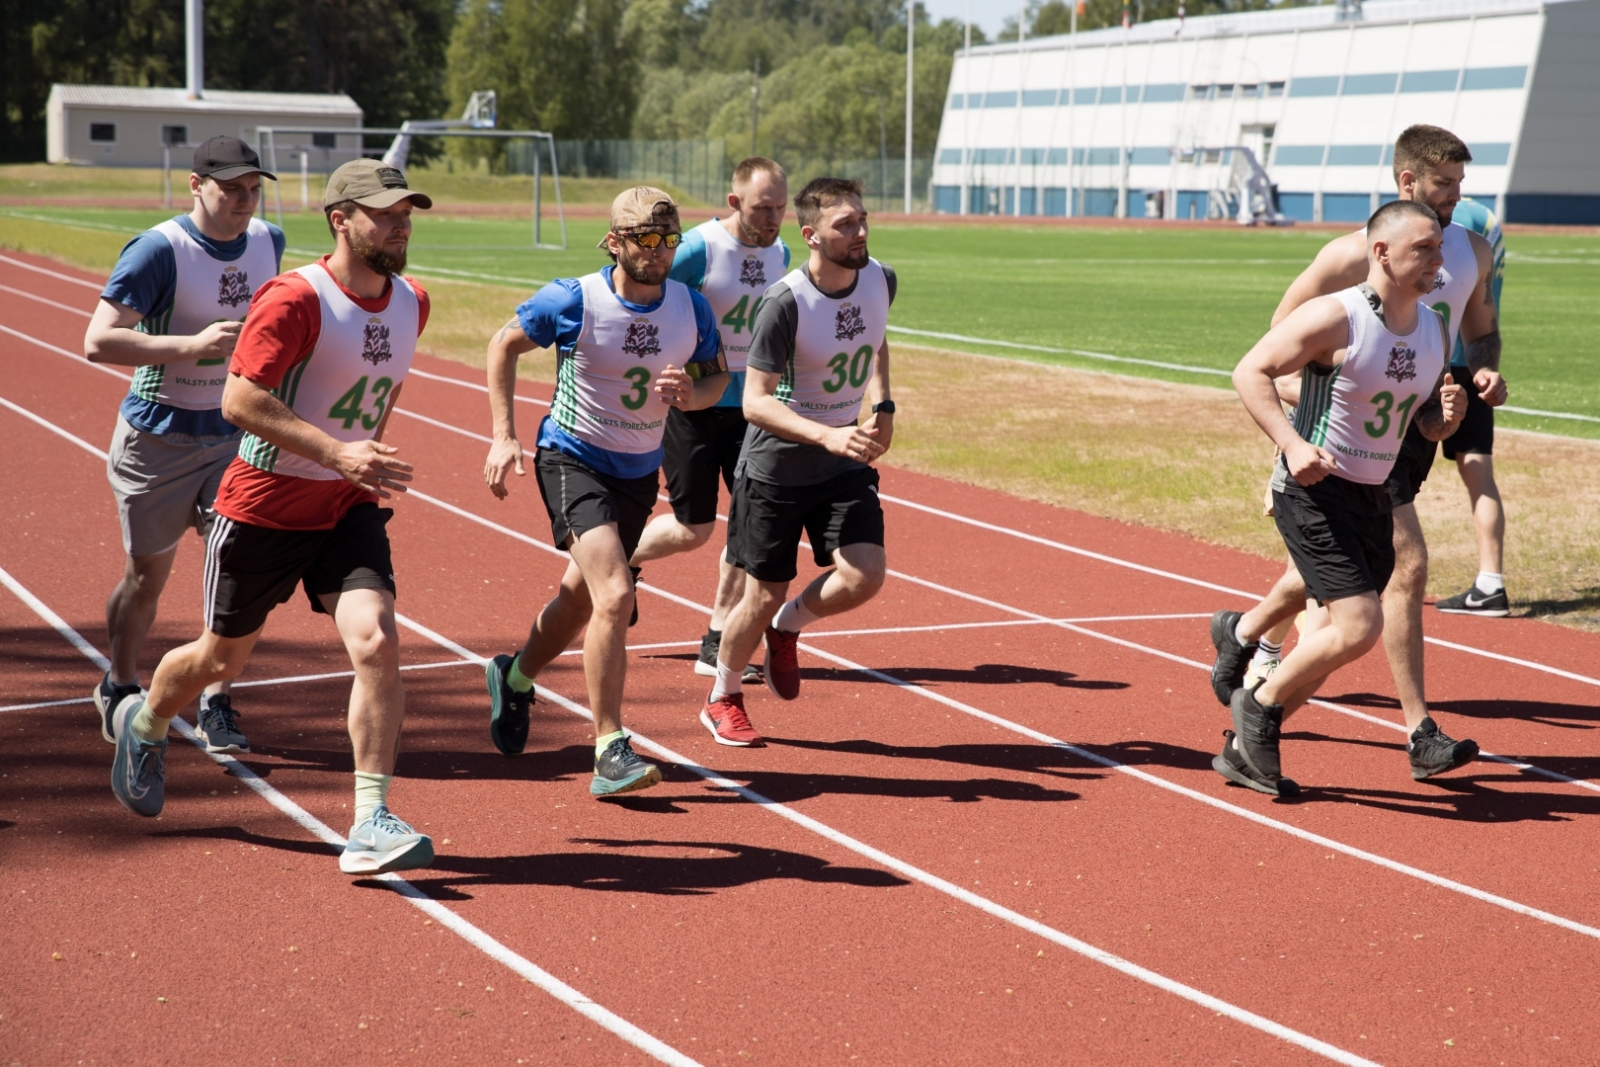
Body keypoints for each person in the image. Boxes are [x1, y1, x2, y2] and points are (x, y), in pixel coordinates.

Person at [108, 159, 437, 876]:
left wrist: (354, 463)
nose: (400, 225)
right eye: (384, 213)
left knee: (378, 640)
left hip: (344, 504)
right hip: (262, 504)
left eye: (406, 212)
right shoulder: (294, 298)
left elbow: (373, 393)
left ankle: (371, 819)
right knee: (219, 660)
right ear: (340, 220)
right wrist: (336, 451)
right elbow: (238, 400)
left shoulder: (413, 301)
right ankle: (147, 720)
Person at [1212, 125, 1500, 783]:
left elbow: (1431, 401)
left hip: (1384, 466)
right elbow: (1262, 361)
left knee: (1332, 603)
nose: (1440, 260)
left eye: (1461, 185)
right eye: (1444, 184)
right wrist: (1295, 436)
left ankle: (1245, 642)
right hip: (1321, 470)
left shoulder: (1435, 320)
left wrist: (1447, 414)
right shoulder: (1341, 290)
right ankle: (1410, 729)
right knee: (1377, 599)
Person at [481, 187, 728, 791]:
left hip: (638, 472)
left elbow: (717, 376)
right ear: (615, 241)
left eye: (668, 239)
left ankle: (514, 678)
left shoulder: (691, 307)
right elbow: (503, 344)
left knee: (580, 602)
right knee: (615, 593)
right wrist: (503, 436)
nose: (659, 251)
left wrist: (694, 395)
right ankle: (610, 748)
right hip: (572, 458)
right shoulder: (573, 299)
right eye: (645, 239)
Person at [83, 136, 284, 755]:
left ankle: (217, 698)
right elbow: (98, 341)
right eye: (232, 189)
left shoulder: (269, 242)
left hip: (235, 434)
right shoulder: (157, 250)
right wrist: (191, 346)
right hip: (159, 435)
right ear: (196, 185)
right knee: (147, 577)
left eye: (253, 189)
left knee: (238, 569)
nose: (245, 201)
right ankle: (119, 682)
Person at [697, 177, 897, 748]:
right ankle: (722, 696)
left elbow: (877, 339)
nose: (860, 232)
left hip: (841, 462)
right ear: (810, 235)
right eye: (845, 224)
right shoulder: (784, 303)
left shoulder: (882, 278)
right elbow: (755, 403)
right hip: (776, 469)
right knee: (761, 593)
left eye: (862, 219)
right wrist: (827, 435)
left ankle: (788, 628)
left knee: (864, 574)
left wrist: (883, 405)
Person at [627, 157, 791, 679]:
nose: (773, 218)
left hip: (755, 410)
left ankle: (718, 640)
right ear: (734, 202)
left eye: (781, 207)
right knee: (692, 527)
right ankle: (622, 559)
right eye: (763, 208)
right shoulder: (697, 249)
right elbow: (644, 297)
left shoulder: (782, 254)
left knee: (748, 527)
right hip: (694, 404)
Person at [1434, 196, 1511, 616]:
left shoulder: (1455, 219)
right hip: (1478, 357)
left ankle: (1372, 578)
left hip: (1435, 356)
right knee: (1479, 472)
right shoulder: (1485, 216)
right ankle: (1490, 582)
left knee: (1387, 473)